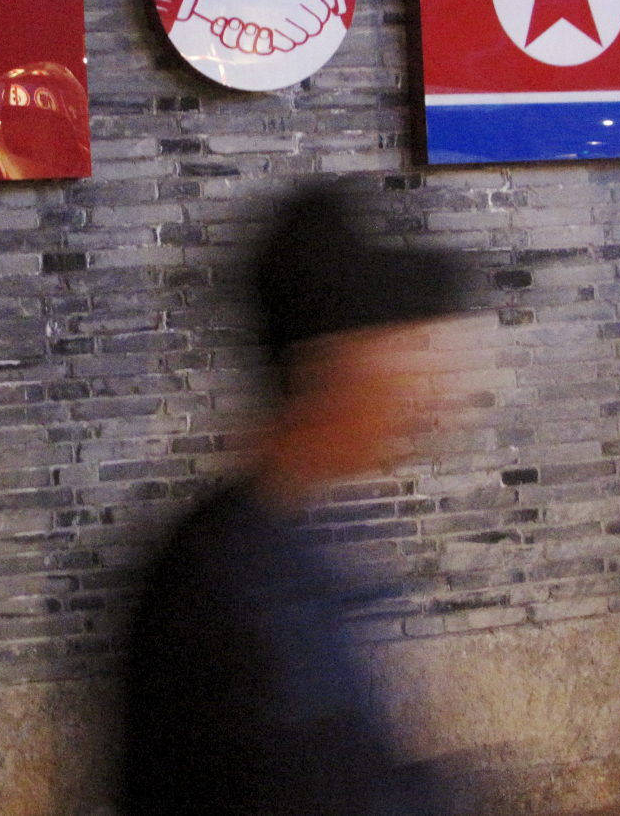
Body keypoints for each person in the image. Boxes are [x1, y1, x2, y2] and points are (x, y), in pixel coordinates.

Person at [120, 184, 466, 816]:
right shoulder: (234, 587)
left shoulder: (278, 544)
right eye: (405, 346)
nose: (431, 389)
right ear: (331, 364)